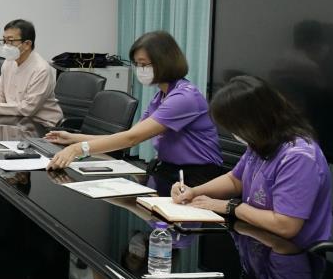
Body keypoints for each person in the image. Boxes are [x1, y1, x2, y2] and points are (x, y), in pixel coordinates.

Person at [46, 31, 224, 190]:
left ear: (164, 62)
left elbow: (132, 139)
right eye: (137, 64)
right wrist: (73, 138)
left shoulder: (184, 97)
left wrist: (78, 149)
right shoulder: (161, 96)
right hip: (169, 170)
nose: (140, 70)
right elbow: (129, 135)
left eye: (144, 64)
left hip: (197, 177)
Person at [171, 75, 332, 248]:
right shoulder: (263, 141)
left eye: (235, 127)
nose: (233, 134)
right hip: (256, 241)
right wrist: (194, 192)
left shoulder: (299, 157)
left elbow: (285, 226)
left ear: (253, 121)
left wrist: (231, 207)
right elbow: (235, 180)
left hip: (292, 253)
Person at [0, 19, 63, 127]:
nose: (6, 46)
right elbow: (0, 96)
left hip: (42, 125)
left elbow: (27, 109)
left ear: (27, 44)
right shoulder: (8, 62)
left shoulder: (41, 70)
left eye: (10, 41)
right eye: (4, 41)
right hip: (16, 120)